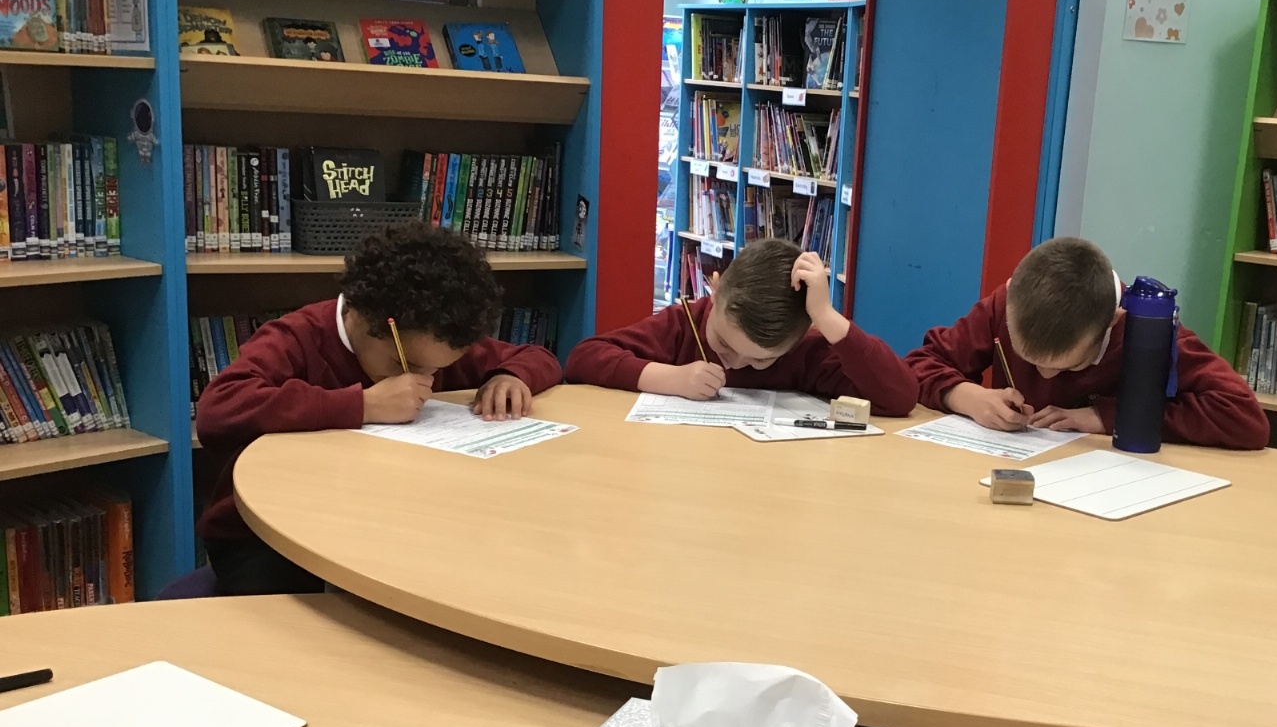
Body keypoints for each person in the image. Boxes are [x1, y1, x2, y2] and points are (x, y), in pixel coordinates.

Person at [195, 223, 561, 595]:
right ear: (364, 318)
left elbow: (538, 357)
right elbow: (219, 409)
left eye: (438, 368)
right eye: (407, 364)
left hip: (384, 528)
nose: (425, 378)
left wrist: (509, 376)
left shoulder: (434, 336)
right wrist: (361, 404)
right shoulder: (297, 337)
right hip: (265, 537)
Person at [905, 236, 1270, 448]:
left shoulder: (1145, 331)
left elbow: (1245, 418)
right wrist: (965, 396)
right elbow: (919, 364)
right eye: (1028, 358)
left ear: (1113, 321)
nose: (1045, 376)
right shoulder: (1007, 303)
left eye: (1069, 365)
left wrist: (1105, 417)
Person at [564, 239, 918, 415]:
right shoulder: (683, 323)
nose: (733, 363)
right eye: (723, 343)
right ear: (715, 289)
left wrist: (826, 316)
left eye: (761, 360)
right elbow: (583, 358)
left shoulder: (806, 347)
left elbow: (900, 397)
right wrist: (670, 379)